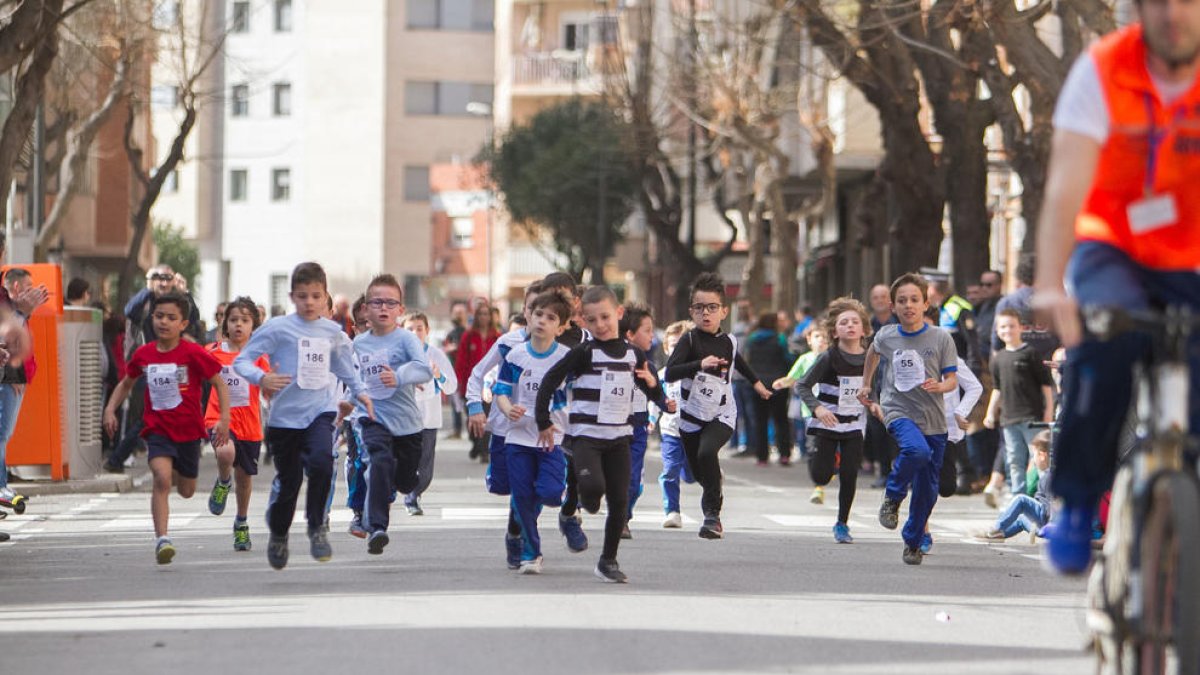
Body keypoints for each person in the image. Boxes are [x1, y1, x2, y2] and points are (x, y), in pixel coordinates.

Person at [233, 262, 373, 570]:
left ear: (325, 298)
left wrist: (360, 394)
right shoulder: (277, 328)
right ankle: (279, 534)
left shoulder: (332, 332)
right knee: (290, 481)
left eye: (315, 296)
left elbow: (346, 369)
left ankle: (316, 527)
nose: (309, 302)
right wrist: (261, 378)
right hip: (284, 420)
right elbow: (242, 361)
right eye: (302, 296)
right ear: (292, 297)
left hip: (320, 413)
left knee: (323, 463)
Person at [534, 285, 668, 583]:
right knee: (593, 491)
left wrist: (656, 390)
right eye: (592, 320)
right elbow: (549, 381)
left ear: (618, 314)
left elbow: (650, 389)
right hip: (586, 436)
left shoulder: (635, 355)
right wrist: (543, 420)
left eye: (606, 317)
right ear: (583, 321)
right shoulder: (584, 353)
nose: (600, 325)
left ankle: (608, 560)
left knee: (620, 500)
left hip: (620, 437)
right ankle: (585, 499)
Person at [102, 292, 230, 564]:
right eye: (159, 316)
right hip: (157, 428)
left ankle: (174, 472)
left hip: (188, 431)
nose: (164, 322)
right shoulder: (144, 354)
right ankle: (162, 539)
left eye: (171, 318)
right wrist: (110, 409)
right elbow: (126, 383)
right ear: (152, 319)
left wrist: (224, 419)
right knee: (160, 479)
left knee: (186, 490)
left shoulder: (192, 352)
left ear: (183, 324)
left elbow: (219, 382)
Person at [858, 273, 958, 565]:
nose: (908, 305)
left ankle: (913, 542)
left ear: (926, 304)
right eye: (902, 301)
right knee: (916, 450)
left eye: (915, 300)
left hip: (933, 418)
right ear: (893, 306)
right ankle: (893, 495)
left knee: (929, 488)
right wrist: (867, 383)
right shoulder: (887, 335)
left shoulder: (941, 337)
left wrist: (942, 386)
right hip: (897, 409)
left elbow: (952, 379)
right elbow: (873, 354)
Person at [665, 273, 772, 540]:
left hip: (722, 413)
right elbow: (669, 373)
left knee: (706, 452)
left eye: (712, 307)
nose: (706, 313)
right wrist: (698, 365)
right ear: (692, 312)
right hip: (690, 416)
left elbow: (741, 363)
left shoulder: (730, 341)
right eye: (699, 308)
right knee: (701, 473)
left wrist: (757, 384)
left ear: (724, 311)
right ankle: (713, 486)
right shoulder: (689, 341)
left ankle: (712, 517)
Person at [347, 275, 432, 555]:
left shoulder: (406, 338)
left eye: (390, 302)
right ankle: (377, 528)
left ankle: (402, 484)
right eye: (377, 302)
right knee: (379, 461)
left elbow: (424, 369)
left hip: (407, 423)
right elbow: (352, 380)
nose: (383, 307)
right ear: (366, 310)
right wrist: (344, 408)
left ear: (400, 309)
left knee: (407, 480)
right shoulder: (358, 345)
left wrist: (398, 376)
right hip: (372, 417)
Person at [492, 290, 573, 574]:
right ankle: (530, 552)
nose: (542, 321)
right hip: (517, 438)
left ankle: (526, 527)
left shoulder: (567, 358)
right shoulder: (515, 356)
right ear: (529, 316)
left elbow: (577, 395)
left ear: (561, 327)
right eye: (538, 314)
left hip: (553, 438)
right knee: (522, 495)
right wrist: (506, 408)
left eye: (551, 318)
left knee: (550, 493)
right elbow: (500, 390)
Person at [785, 298, 877, 543]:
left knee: (849, 473)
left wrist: (874, 403)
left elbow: (873, 387)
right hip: (827, 422)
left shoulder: (870, 358)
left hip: (854, 424)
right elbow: (802, 386)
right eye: (843, 322)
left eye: (855, 322)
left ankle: (842, 523)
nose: (849, 326)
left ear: (864, 329)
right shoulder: (828, 357)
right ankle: (818, 458)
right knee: (821, 476)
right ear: (834, 331)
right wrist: (817, 409)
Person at [105, 264, 202, 473]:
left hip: (172, 367)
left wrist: (186, 293)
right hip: (146, 367)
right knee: (149, 416)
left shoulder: (177, 301)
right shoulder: (145, 301)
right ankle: (118, 457)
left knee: (154, 415)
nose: (163, 282)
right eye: (158, 277)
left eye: (168, 278)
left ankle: (120, 457)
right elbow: (129, 310)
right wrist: (148, 288)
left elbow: (193, 319)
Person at [201, 297, 269, 551]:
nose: (238, 325)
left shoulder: (258, 357)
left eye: (245, 320)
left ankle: (241, 523)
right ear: (225, 324)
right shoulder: (212, 352)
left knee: (245, 478)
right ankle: (222, 480)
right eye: (233, 320)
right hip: (218, 419)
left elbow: (268, 383)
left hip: (249, 424)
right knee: (226, 451)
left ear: (253, 326)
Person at [983, 309, 1055, 497]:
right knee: (1014, 460)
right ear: (997, 330)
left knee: (1039, 456)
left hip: (1032, 417)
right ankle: (1018, 498)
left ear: (1021, 328)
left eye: (1012, 326)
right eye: (1003, 326)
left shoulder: (1031, 354)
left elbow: (1046, 385)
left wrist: (1049, 410)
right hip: (1008, 419)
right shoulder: (998, 359)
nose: (1007, 330)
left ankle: (1042, 496)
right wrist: (991, 413)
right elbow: (997, 389)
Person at [400, 311, 457, 516]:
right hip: (403, 419)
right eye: (410, 329)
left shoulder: (436, 355)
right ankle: (405, 492)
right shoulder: (398, 354)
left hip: (428, 419)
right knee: (404, 460)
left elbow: (451, 387)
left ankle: (413, 495)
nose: (415, 333)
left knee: (425, 467)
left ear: (427, 331)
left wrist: (438, 375)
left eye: (419, 328)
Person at [619, 302, 658, 538]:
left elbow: (658, 394)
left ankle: (623, 519)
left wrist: (666, 404)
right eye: (648, 330)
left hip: (639, 431)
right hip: (614, 429)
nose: (652, 335)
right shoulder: (612, 363)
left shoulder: (649, 366)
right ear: (630, 335)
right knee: (610, 478)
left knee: (633, 483)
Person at [0, 269, 38, 511]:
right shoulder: (8, 304)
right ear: (15, 286)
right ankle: (2, 486)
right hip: (9, 377)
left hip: (16, 375)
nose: (31, 291)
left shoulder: (12, 305)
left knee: (5, 434)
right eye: (27, 286)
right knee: (2, 433)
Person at [976, 431, 1054, 541]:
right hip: (1044, 526)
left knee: (1021, 500)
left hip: (1050, 526)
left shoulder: (1050, 476)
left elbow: (1055, 503)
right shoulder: (1052, 475)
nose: (1034, 460)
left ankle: (996, 528)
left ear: (1042, 455)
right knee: (1021, 519)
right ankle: (999, 533)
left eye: (1034, 455)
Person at [656, 320, 694, 528]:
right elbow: (655, 398)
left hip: (694, 431)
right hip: (670, 430)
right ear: (666, 348)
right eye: (673, 345)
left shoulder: (697, 374)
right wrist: (651, 419)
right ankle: (672, 511)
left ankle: (708, 471)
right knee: (670, 470)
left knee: (690, 475)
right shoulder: (662, 375)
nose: (677, 350)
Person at [745, 312, 793, 466]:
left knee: (760, 420)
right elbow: (787, 358)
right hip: (777, 384)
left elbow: (748, 359)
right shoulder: (780, 338)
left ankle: (762, 456)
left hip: (757, 383)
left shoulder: (752, 339)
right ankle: (784, 454)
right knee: (781, 420)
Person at [342, 295, 371, 538]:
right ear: (355, 327)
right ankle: (359, 513)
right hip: (355, 418)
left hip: (389, 418)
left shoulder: (396, 345)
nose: (368, 327)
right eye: (362, 323)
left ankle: (377, 502)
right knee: (359, 462)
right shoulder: (348, 352)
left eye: (371, 321)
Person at [776, 327, 828, 462]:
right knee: (814, 439)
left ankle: (831, 461)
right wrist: (781, 383)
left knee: (830, 439)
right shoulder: (805, 359)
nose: (821, 339)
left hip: (830, 407)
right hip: (810, 408)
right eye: (817, 336)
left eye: (825, 336)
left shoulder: (833, 358)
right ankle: (815, 460)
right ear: (809, 340)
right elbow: (792, 377)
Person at [458, 303, 501, 462]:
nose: (484, 317)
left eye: (486, 314)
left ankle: (484, 451)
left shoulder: (497, 337)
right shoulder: (468, 336)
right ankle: (476, 443)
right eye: (481, 314)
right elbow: (461, 361)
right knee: (472, 419)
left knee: (487, 418)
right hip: (471, 386)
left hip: (490, 386)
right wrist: (460, 384)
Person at [443, 301, 469, 439]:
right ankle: (457, 429)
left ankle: (475, 434)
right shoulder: (451, 333)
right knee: (455, 403)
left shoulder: (469, 333)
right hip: (453, 372)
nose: (458, 316)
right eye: (456, 313)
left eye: (461, 313)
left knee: (468, 403)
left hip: (467, 374)